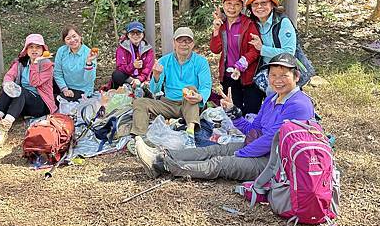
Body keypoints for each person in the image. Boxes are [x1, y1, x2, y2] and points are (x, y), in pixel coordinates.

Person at [134, 53, 315, 181]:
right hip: (257, 148)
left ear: (296, 76)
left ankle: (161, 164)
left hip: (273, 162)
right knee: (212, 150)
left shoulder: (299, 105)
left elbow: (271, 140)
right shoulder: (271, 99)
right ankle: (163, 154)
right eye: (273, 75)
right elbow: (255, 130)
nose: (278, 80)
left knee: (220, 162)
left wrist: (241, 154)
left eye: (284, 75)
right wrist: (233, 112)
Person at [131, 27, 212, 140]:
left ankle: (190, 133)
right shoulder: (164, 61)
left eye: (187, 41)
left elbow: (206, 86)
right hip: (168, 103)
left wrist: (200, 97)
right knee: (140, 102)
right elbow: (154, 91)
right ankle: (139, 138)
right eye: (180, 40)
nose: (184, 44)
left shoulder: (201, 62)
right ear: (174, 43)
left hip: (190, 104)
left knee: (190, 89)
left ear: (193, 44)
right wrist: (156, 76)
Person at [0, 34, 57, 146]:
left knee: (21, 92)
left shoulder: (47, 65)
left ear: (43, 49)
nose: (34, 50)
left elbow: (35, 82)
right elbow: (9, 75)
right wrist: (8, 83)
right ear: (26, 50)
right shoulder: (21, 63)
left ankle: (3, 129)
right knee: (10, 88)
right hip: (22, 103)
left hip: (41, 104)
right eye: (31, 47)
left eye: (38, 47)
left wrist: (35, 63)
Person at [209, 0, 263, 115]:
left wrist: (241, 64)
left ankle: (252, 134)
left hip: (249, 77)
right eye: (229, 3)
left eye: (237, 4)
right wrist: (216, 30)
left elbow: (255, 50)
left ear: (242, 7)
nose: (232, 7)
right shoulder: (221, 25)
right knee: (234, 111)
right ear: (223, 5)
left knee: (251, 112)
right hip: (229, 76)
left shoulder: (248, 24)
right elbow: (215, 50)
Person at [246, 0, 296, 65]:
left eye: (264, 3)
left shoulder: (283, 22)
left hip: (284, 68)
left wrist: (262, 49)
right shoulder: (252, 23)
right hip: (263, 67)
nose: (259, 7)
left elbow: (289, 53)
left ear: (272, 5)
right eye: (255, 4)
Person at [53, 25, 97, 101]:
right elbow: (57, 73)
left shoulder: (89, 53)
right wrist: (64, 89)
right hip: (65, 86)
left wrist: (89, 62)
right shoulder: (61, 51)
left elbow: (89, 80)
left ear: (80, 36)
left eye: (74, 36)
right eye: (68, 38)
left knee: (57, 101)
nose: (72, 40)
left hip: (82, 90)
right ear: (65, 41)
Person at [108, 21, 155, 89]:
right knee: (116, 74)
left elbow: (148, 68)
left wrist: (139, 79)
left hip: (142, 77)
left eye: (138, 33)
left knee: (156, 73)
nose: (135, 36)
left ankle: (139, 85)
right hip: (128, 77)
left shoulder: (148, 49)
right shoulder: (122, 48)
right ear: (128, 35)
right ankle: (134, 85)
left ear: (143, 35)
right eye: (132, 33)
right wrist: (133, 66)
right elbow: (120, 67)